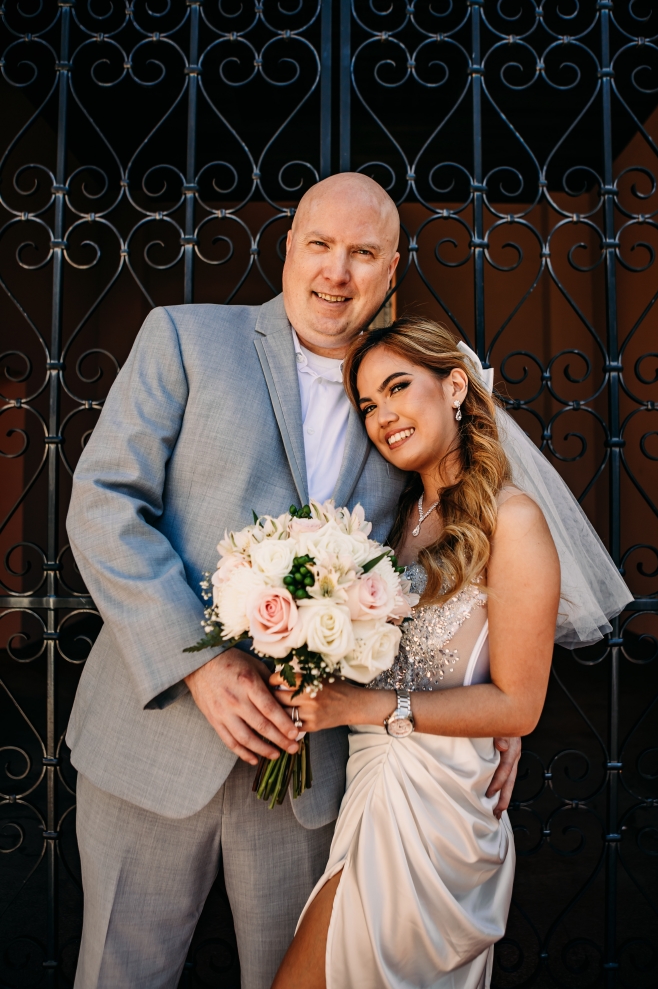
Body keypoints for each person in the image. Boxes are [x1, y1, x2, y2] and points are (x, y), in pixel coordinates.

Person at [65, 174, 521, 989]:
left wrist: (485, 695)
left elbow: (450, 553)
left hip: (309, 772)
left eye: (362, 254)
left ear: (390, 271)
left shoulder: (404, 396)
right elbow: (102, 506)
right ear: (287, 250)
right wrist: (199, 662)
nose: (336, 272)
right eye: (319, 245)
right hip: (151, 743)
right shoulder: (185, 338)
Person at [271, 317, 632, 989]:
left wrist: (363, 706)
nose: (382, 416)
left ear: (456, 386)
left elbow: (518, 706)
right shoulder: (396, 518)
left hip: (436, 813)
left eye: (397, 387)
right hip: (372, 789)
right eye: (367, 405)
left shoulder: (513, 520)